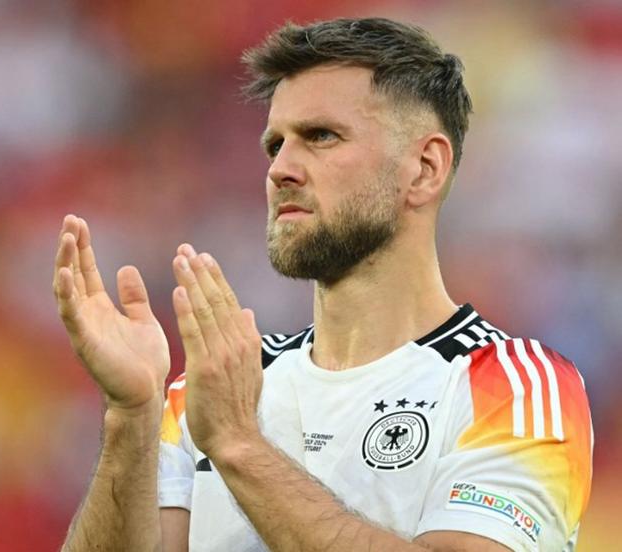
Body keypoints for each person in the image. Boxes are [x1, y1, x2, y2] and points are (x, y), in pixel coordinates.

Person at [52, 17, 592, 552]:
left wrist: (240, 445)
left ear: (425, 168)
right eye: (275, 145)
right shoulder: (218, 384)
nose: (280, 168)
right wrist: (131, 417)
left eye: (321, 137)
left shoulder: (513, 384)